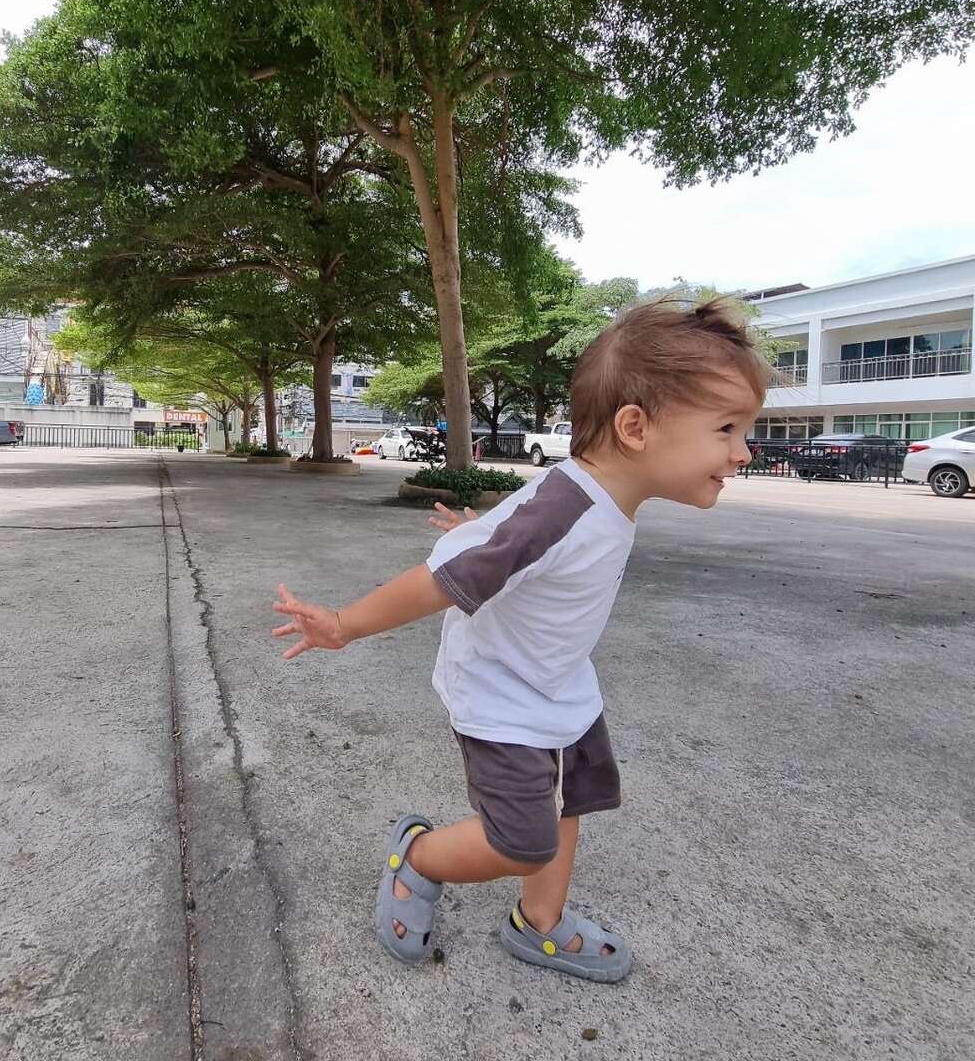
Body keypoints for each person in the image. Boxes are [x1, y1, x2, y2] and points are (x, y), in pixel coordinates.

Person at [272, 298, 771, 982]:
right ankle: (417, 860)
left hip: (559, 680)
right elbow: (439, 581)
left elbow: (519, 539)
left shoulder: (597, 498)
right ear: (635, 427)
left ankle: (539, 923)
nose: (743, 451)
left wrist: (488, 534)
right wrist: (344, 624)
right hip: (503, 690)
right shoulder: (567, 508)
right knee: (521, 840)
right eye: (726, 429)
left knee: (575, 797)